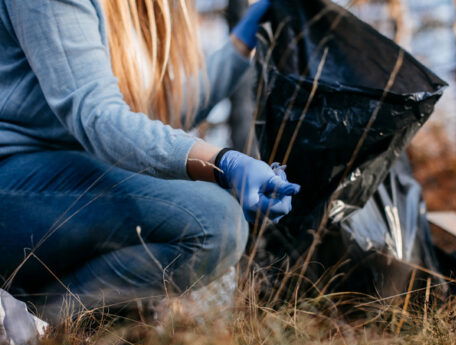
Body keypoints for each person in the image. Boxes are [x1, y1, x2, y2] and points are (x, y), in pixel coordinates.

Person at [0, 0, 300, 323]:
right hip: (14, 187)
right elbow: (100, 119)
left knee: (206, 217)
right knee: (211, 221)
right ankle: (40, 323)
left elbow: (157, 113)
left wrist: (241, 43)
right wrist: (224, 162)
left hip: (59, 181)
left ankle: (66, 317)